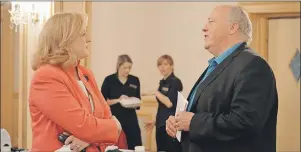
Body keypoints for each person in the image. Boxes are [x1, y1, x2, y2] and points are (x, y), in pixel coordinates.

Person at [166, 5, 278, 152]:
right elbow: (202, 112)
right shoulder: (218, 65)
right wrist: (178, 124)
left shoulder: (253, 66)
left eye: (211, 21)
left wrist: (194, 122)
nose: (204, 28)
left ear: (232, 28)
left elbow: (244, 123)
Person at [29, 12, 123, 152]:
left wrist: (89, 136)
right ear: (66, 39)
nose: (89, 39)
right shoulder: (45, 76)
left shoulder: (86, 73)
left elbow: (107, 117)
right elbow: (86, 126)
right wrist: (111, 127)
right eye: (83, 33)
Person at [101, 54, 142, 150]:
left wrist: (132, 102)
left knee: (135, 145)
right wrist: (119, 100)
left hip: (131, 119)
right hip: (114, 119)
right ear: (118, 66)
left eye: (129, 68)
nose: (127, 70)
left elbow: (138, 100)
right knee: (114, 146)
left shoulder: (135, 80)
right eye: (125, 68)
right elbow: (102, 102)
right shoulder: (109, 80)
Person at [144, 55, 183, 152]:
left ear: (172, 65)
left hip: (171, 124)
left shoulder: (176, 82)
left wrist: (155, 92)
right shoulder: (162, 82)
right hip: (160, 124)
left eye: (165, 64)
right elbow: (161, 106)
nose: (162, 67)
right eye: (160, 65)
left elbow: (169, 103)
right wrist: (154, 121)